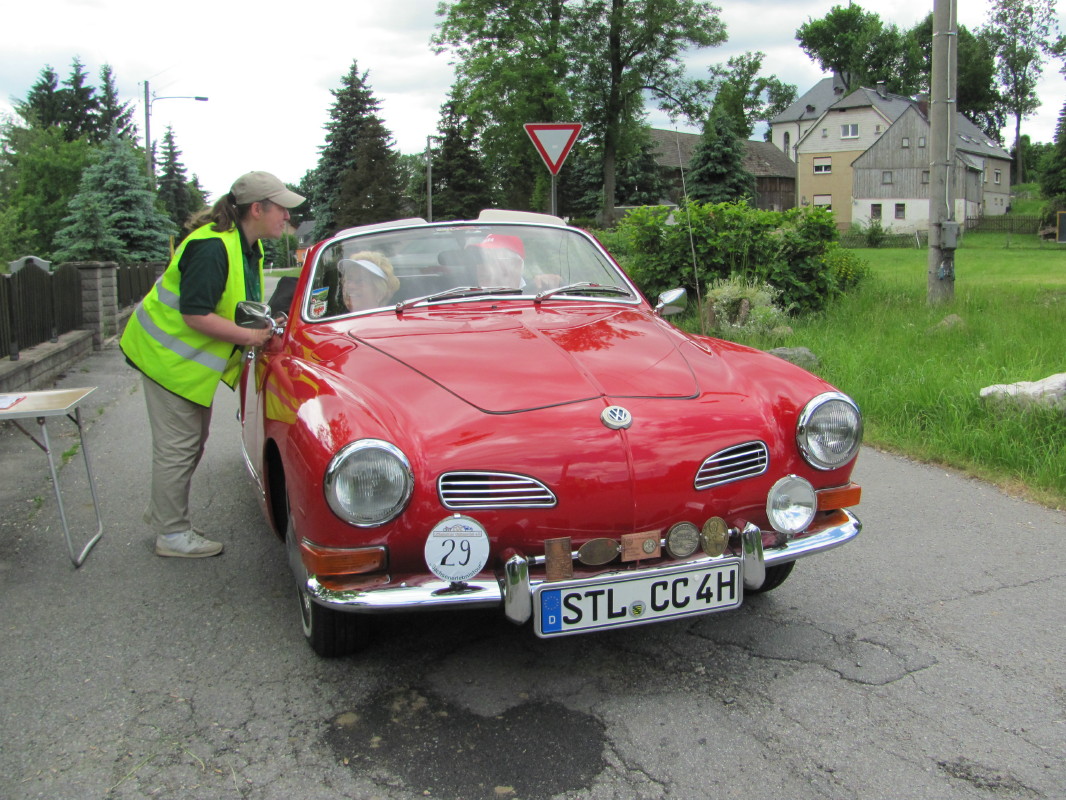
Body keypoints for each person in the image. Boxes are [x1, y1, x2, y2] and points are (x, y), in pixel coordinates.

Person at [120, 171, 305, 558]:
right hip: (166, 359)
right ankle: (171, 535)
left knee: (188, 443)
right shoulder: (212, 247)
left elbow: (236, 307)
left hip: (182, 364)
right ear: (258, 208)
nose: (287, 217)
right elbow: (196, 316)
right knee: (179, 447)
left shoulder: (243, 246)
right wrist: (254, 338)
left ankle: (166, 517)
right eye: (282, 210)